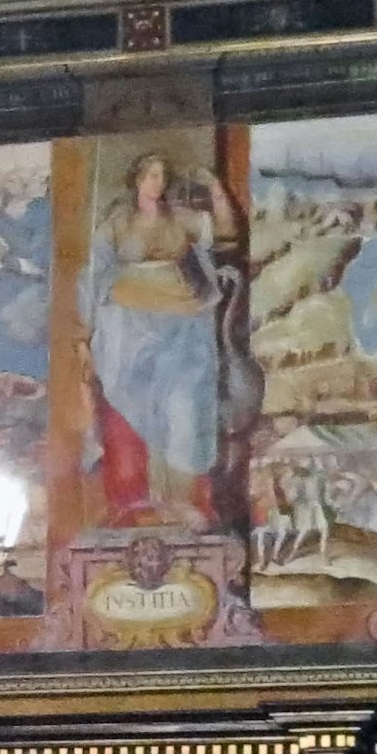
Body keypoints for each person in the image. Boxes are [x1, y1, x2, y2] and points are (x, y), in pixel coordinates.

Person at [84, 151, 234, 524]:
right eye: (151, 174)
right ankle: (141, 501)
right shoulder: (117, 226)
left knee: (183, 408)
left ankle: (183, 500)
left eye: (162, 175)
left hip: (182, 326)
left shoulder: (181, 220)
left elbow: (227, 233)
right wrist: (87, 330)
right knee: (134, 412)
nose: (158, 182)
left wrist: (216, 189)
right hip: (129, 330)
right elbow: (92, 276)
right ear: (137, 180)